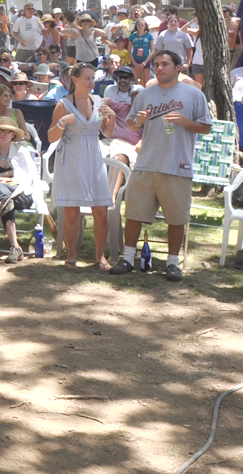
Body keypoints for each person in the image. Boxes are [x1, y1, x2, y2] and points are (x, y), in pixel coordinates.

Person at [110, 50, 211, 281]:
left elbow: (206, 127)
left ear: (178, 67)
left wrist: (185, 122)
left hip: (177, 164)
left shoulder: (193, 95)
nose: (160, 68)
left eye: (165, 64)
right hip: (146, 162)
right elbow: (132, 124)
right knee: (134, 213)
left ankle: (172, 263)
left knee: (176, 217)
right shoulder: (145, 94)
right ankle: (127, 258)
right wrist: (139, 120)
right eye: (156, 64)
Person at [48, 63, 117, 271]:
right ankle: (71, 255)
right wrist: (62, 123)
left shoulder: (98, 101)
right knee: (71, 213)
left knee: (101, 210)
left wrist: (111, 117)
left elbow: (107, 132)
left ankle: (100, 256)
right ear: (74, 80)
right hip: (70, 160)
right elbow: (51, 137)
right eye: (86, 78)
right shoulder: (63, 105)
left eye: (92, 78)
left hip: (94, 159)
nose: (91, 82)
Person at [0, 118, 46, 262]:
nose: (2, 134)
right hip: (3, 198)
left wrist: (0, 177)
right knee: (6, 199)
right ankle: (15, 247)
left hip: (23, 195)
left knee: (1, 189)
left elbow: (26, 179)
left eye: (7, 131)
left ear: (13, 134)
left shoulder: (21, 152)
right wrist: (8, 175)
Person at [129, 17, 156, 84]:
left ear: (145, 26)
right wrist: (134, 62)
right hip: (135, 60)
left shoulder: (149, 36)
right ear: (136, 26)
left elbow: (152, 51)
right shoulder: (132, 36)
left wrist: (145, 62)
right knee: (134, 81)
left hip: (145, 60)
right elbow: (129, 51)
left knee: (147, 82)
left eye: (142, 25)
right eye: (139, 25)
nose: (140, 27)